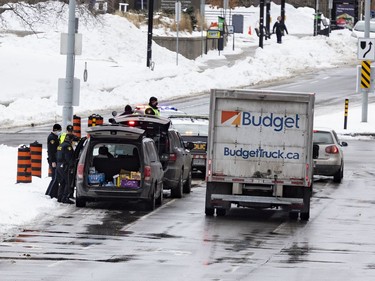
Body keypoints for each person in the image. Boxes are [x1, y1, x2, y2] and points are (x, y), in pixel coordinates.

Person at [56, 133, 75, 204]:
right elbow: (69, 158)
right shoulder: (68, 146)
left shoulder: (60, 145)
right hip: (65, 166)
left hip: (59, 165)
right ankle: (65, 198)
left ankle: (60, 197)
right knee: (68, 182)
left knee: (62, 182)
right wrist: (72, 166)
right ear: (71, 140)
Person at [45, 123, 62, 199]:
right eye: (59, 130)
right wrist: (53, 161)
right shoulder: (52, 138)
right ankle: (50, 193)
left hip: (54, 159)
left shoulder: (54, 137)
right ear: (56, 130)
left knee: (55, 177)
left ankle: (52, 193)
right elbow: (51, 151)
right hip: (53, 160)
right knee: (54, 178)